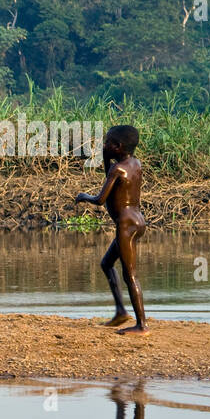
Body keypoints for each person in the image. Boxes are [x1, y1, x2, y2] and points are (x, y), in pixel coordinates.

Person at [74, 125, 147, 335]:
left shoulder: (118, 169)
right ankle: (121, 313)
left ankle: (142, 325)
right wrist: (106, 158)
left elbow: (100, 199)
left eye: (108, 143)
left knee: (130, 274)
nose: (104, 145)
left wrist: (83, 196)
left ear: (119, 146)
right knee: (106, 264)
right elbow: (112, 179)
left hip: (126, 224)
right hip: (136, 220)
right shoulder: (134, 163)